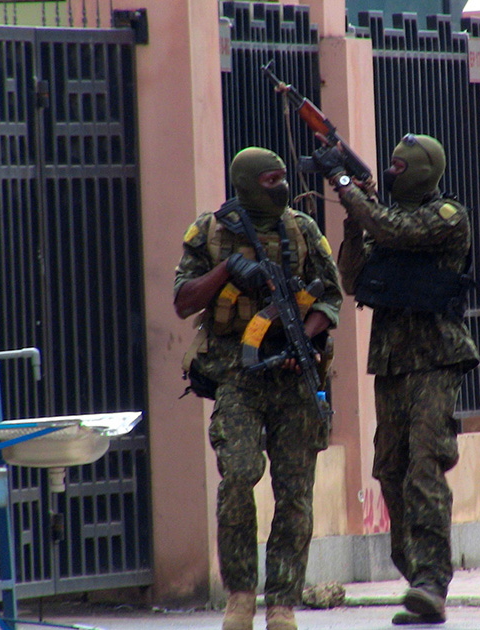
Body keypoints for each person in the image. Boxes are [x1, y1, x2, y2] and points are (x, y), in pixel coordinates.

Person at [173, 147, 342, 630]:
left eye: (284, 179)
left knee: (295, 492)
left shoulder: (304, 230)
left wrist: (302, 340)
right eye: (271, 180)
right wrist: (228, 270)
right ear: (247, 183)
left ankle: (283, 602)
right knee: (239, 477)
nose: (282, 187)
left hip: (293, 375)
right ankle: (241, 596)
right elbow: (184, 301)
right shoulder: (209, 231)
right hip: (237, 373)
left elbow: (329, 296)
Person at [323, 133, 478, 626]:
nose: (390, 174)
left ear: (421, 171)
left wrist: (346, 184)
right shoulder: (380, 221)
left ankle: (433, 580)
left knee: (425, 467)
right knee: (390, 469)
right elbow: (352, 279)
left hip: (436, 359)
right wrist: (353, 217)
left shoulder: (447, 217)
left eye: (398, 166)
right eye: (387, 166)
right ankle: (414, 575)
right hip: (391, 362)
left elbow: (399, 231)